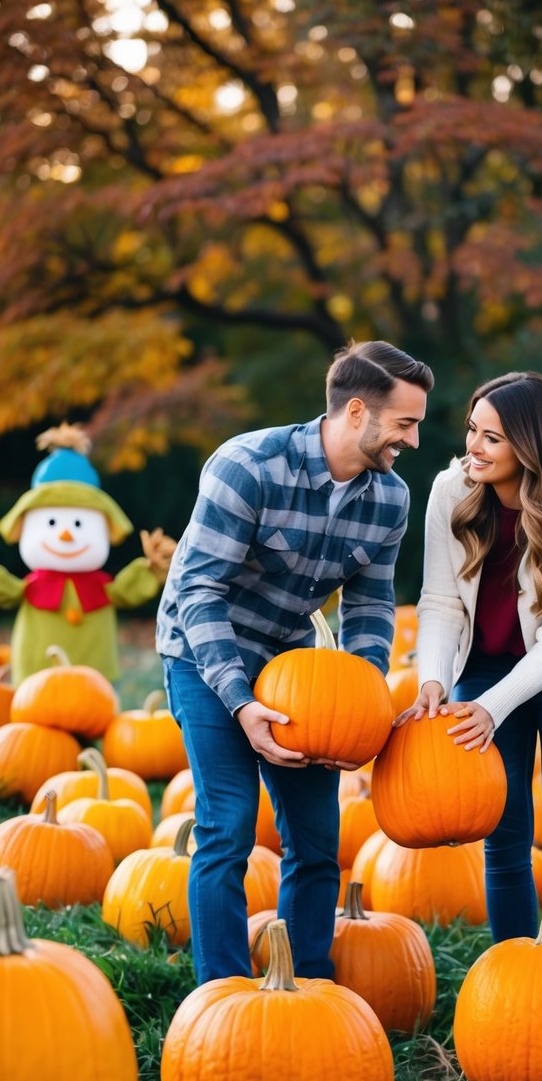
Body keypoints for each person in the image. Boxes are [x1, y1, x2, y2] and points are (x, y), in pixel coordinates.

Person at [156, 340, 434, 984]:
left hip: (295, 670)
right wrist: (243, 704)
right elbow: (199, 592)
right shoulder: (248, 466)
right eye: (406, 424)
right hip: (205, 653)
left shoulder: (389, 499)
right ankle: (221, 996)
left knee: (315, 843)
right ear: (357, 411)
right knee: (226, 828)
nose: (413, 441)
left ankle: (306, 986)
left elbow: (369, 602)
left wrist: (361, 696)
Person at [398, 371, 542, 956]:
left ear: (532, 446)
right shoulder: (452, 491)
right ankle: (514, 975)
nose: (473, 446)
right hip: (484, 666)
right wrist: (434, 678)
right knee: (504, 839)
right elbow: (441, 601)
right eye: (472, 429)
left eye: (491, 438)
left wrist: (490, 709)